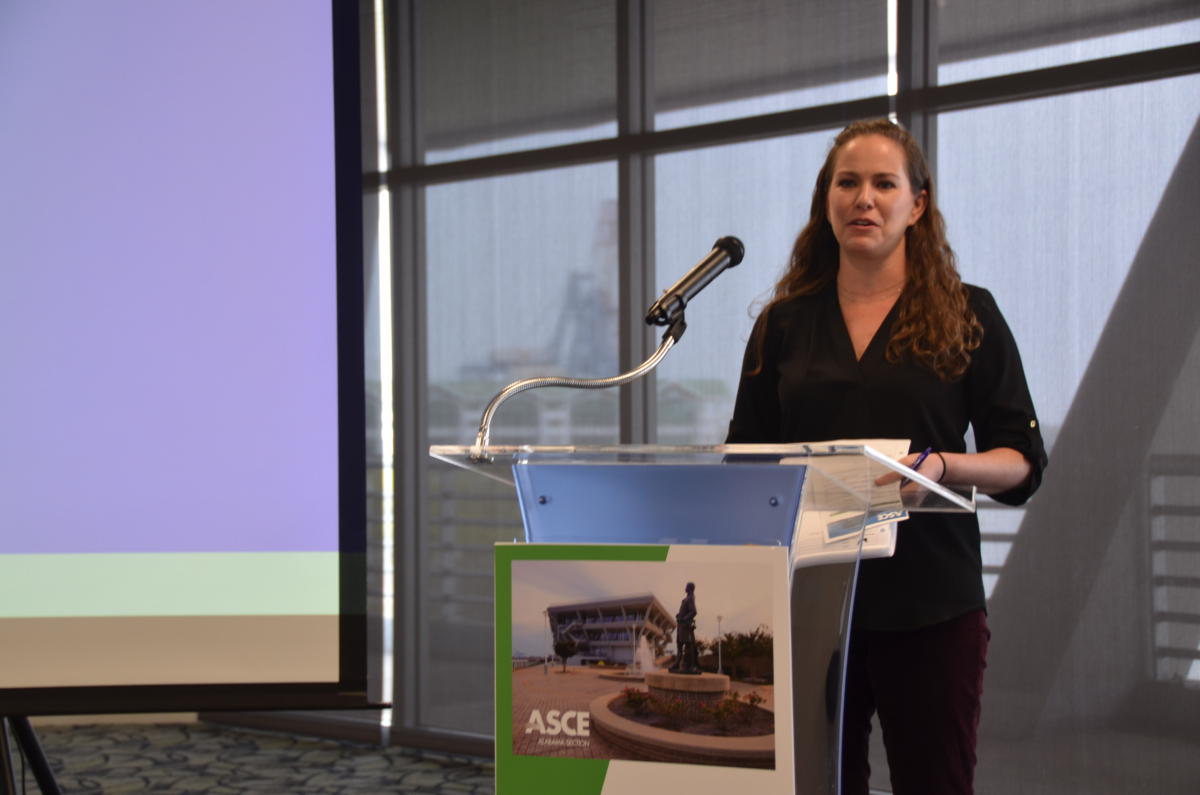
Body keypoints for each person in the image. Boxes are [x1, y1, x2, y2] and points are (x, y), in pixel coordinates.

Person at [725, 118, 1047, 795]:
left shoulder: (968, 313)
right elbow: (745, 463)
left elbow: (1021, 462)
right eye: (847, 183)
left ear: (917, 204)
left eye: (883, 184)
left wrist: (942, 468)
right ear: (827, 200)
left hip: (931, 603)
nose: (863, 199)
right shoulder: (783, 324)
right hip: (808, 598)